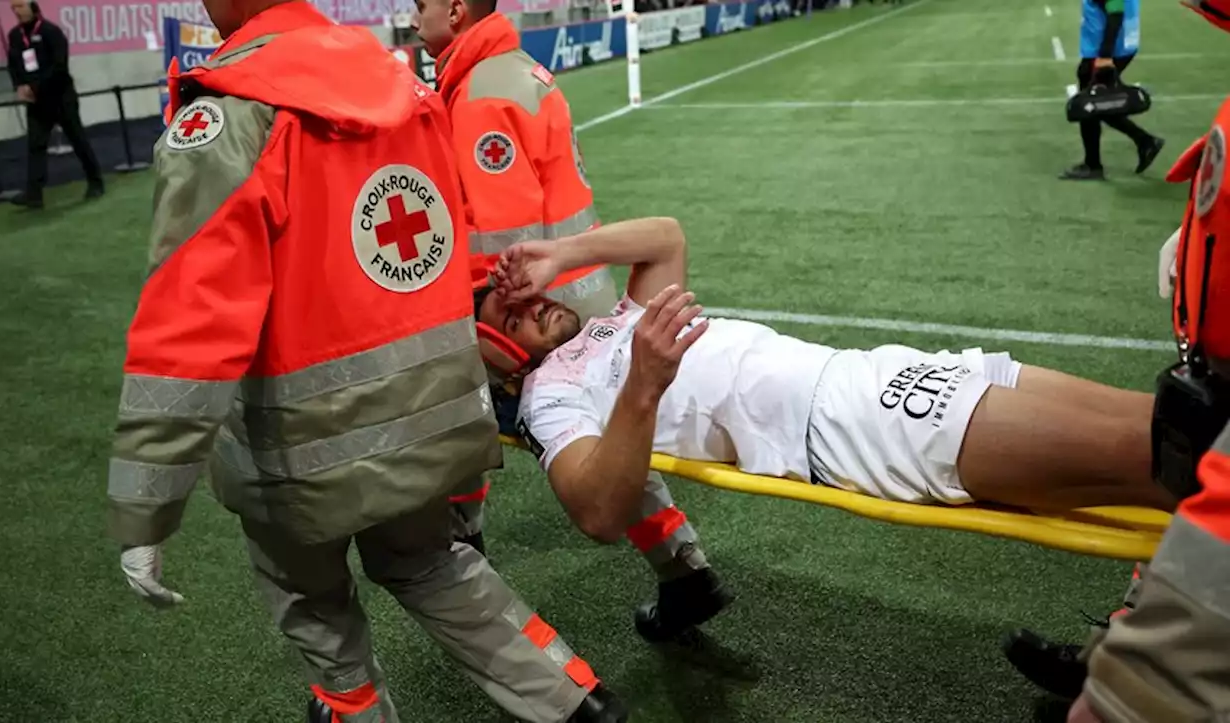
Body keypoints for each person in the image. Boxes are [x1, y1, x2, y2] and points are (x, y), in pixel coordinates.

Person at [104, 0, 627, 721]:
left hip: (298, 454)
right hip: (432, 416)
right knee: (438, 566)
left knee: (311, 600)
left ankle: (352, 705)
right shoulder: (403, 88)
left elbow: (191, 322)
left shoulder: (233, 115)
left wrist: (145, 505)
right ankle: (575, 698)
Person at [472, 216, 1177, 545]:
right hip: (847, 422)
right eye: (512, 310)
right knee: (1162, 458)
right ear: (496, 351)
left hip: (878, 369)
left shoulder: (614, 321)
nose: (532, 300)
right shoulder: (548, 396)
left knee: (1174, 421)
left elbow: (667, 236)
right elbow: (598, 512)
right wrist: (647, 383)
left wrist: (561, 249)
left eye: (525, 290)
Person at [413, 0, 734, 644]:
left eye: (420, 5)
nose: (411, 15)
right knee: (613, 438)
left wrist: (479, 326)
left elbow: (508, 237)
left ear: (453, 11)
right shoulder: (515, 70)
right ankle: (683, 568)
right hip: (576, 301)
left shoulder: (479, 94)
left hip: (529, 315)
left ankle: (464, 558)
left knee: (455, 431)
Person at [1017, 3, 1230, 720]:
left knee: (1206, 519)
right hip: (1213, 355)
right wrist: (1197, 229)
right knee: (1186, 482)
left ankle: (1132, 675)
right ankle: (1121, 637)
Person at [4, 0, 103, 208]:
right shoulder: (15, 36)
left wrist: (35, 87)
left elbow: (59, 67)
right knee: (35, 145)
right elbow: (13, 64)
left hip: (61, 98)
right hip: (36, 102)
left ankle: (96, 182)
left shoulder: (51, 32)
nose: (16, 11)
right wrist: (20, 85)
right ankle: (34, 194)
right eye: (13, 8)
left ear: (33, 6)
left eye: (20, 6)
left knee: (77, 139)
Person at [1061, 0, 1164, 181]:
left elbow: (1115, 11)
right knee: (1098, 102)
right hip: (1120, 45)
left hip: (1106, 50)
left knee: (1090, 104)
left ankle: (1093, 164)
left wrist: (1105, 55)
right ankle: (1144, 142)